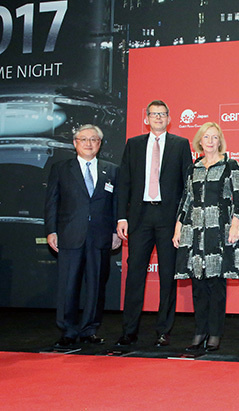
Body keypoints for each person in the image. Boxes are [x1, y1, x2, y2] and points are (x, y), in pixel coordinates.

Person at [116, 100, 192, 347]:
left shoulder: (181, 144)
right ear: (146, 119)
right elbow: (124, 183)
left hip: (169, 219)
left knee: (168, 276)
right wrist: (122, 217)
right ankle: (129, 331)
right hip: (139, 217)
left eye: (162, 114)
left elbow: (188, 186)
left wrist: (182, 220)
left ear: (169, 118)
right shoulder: (134, 144)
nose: (158, 117)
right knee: (135, 275)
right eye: (153, 114)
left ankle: (163, 330)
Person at [45, 124, 120, 348]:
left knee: (96, 286)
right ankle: (68, 331)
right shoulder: (60, 168)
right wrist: (51, 230)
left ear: (100, 144)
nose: (89, 143)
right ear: (75, 143)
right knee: (68, 286)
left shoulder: (112, 170)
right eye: (84, 139)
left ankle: (89, 330)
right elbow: (52, 202)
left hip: (100, 236)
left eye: (94, 139)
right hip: (70, 235)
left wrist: (116, 231)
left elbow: (117, 204)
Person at [172, 122, 239, 352]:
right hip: (194, 232)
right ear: (200, 141)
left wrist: (236, 224)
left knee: (216, 284)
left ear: (220, 141)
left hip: (218, 231)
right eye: (206, 137)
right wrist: (178, 226)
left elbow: (238, 197)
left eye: (215, 137)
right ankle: (199, 331)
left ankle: (214, 333)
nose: (210, 141)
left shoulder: (230, 165)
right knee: (198, 284)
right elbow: (186, 199)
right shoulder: (193, 167)